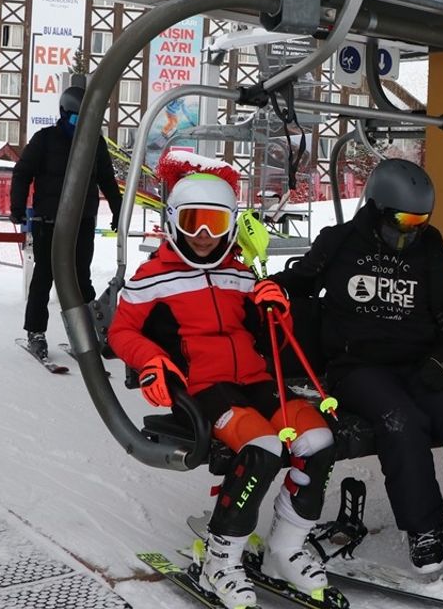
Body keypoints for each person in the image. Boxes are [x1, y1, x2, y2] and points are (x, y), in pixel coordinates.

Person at [267, 158, 443, 603]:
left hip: (423, 363)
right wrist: (267, 293)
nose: (412, 230)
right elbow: (298, 282)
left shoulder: (431, 248)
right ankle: (424, 526)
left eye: (421, 221)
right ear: (376, 208)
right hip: (358, 367)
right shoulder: (340, 243)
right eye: (404, 220)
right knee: (400, 421)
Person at [107, 153, 336, 608]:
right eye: (193, 223)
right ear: (174, 222)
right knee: (263, 448)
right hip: (204, 387)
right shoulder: (155, 276)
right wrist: (151, 360)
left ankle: (284, 550)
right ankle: (220, 557)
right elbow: (121, 331)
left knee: (318, 439)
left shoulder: (240, 270)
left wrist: (273, 301)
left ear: (232, 224)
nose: (204, 236)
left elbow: (266, 327)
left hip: (253, 376)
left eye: (215, 223)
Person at [10, 85, 122, 359]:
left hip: (82, 221)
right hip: (50, 222)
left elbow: (107, 179)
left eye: (87, 120)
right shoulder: (45, 139)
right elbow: (22, 172)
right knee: (45, 276)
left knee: (81, 278)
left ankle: (84, 332)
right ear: (63, 114)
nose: (80, 126)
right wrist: (17, 206)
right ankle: (36, 331)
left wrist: (118, 210)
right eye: (75, 119)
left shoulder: (95, 143)